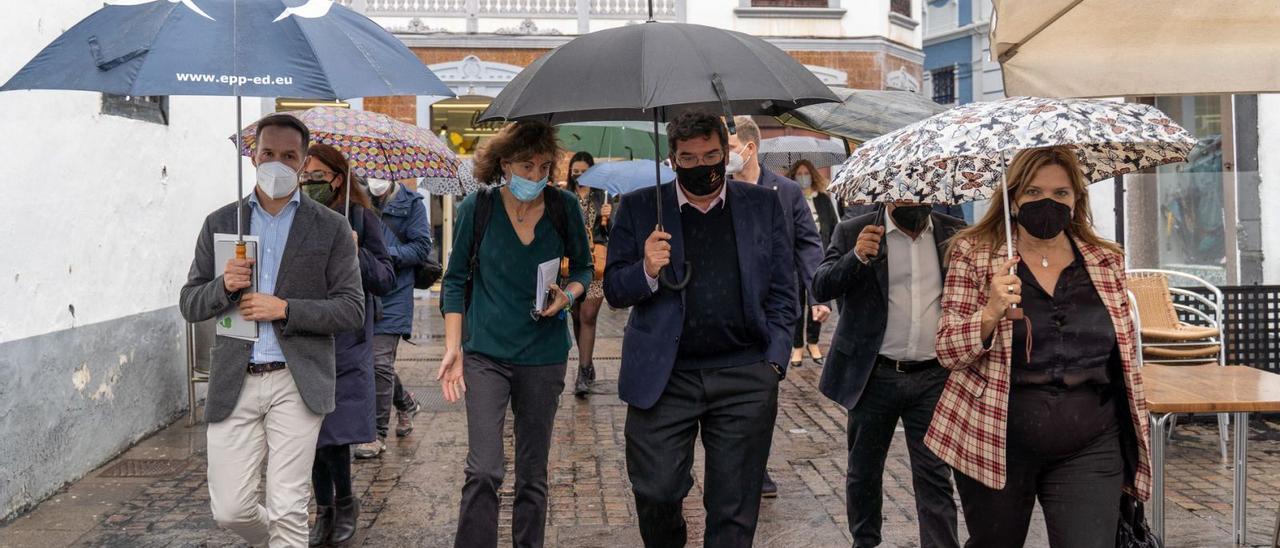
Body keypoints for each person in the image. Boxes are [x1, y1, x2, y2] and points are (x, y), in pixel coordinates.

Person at [926, 146, 1152, 547]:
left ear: (1076, 200)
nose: (1047, 202)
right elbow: (947, 349)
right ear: (1013, 198)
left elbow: (1124, 354)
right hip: (995, 438)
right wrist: (991, 311)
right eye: (1033, 192)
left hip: (1091, 442)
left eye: (1061, 194)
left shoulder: (1105, 259)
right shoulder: (974, 254)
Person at [604, 111, 796, 547]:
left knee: (734, 508)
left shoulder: (761, 205)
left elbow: (785, 288)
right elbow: (615, 289)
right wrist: (647, 270)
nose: (702, 165)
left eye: (711, 154)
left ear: (726, 153)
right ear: (672, 159)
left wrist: (775, 362)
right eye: (689, 157)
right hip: (665, 377)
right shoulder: (640, 208)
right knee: (656, 490)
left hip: (745, 373)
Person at [179, 114, 364, 547]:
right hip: (234, 381)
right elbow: (190, 303)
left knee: (288, 507)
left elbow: (351, 309)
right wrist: (223, 285)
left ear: (302, 163)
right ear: (252, 156)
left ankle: (288, 536)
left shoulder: (331, 227)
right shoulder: (221, 222)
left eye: (289, 156)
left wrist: (285, 309)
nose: (276, 163)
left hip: (296, 379)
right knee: (231, 509)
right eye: (268, 153)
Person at [437, 121, 593, 548]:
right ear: (504, 164)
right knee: (484, 468)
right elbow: (453, 281)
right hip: (486, 353)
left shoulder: (563, 207)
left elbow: (583, 268)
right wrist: (454, 347)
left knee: (532, 472)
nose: (535, 176)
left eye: (544, 167)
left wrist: (569, 296)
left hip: (544, 355)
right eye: (526, 166)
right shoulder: (477, 207)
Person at [811, 201, 965, 548]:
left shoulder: (951, 232)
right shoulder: (855, 229)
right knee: (864, 472)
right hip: (873, 374)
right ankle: (865, 542)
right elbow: (820, 285)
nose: (913, 200)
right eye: (905, 193)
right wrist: (856, 257)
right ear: (890, 193)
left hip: (932, 376)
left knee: (935, 476)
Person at [297, 144, 397, 546]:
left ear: (339, 178)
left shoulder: (360, 216)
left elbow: (385, 277)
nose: (309, 183)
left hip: (347, 336)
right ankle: (324, 508)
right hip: (307, 332)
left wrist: (355, 249)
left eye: (317, 176)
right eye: (305, 176)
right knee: (312, 430)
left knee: (334, 430)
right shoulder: (297, 220)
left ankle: (345, 502)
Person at [725, 116, 825, 497]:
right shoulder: (719, 189)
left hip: (773, 310)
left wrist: (817, 296)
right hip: (730, 306)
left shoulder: (785, 191)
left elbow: (807, 244)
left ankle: (757, 465)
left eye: (731, 149)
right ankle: (735, 462)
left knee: (764, 392)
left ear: (750, 148)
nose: (725, 158)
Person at [354, 175, 433, 460]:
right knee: (371, 360)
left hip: (395, 291)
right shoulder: (356, 200)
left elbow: (422, 247)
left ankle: (375, 435)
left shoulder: (412, 203)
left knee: (378, 362)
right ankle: (406, 403)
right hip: (363, 290)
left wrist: (384, 253)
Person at [785, 159, 842, 366]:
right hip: (794, 260)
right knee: (796, 303)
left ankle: (813, 342)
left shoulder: (823, 199)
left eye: (806, 173)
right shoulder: (789, 198)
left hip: (820, 258)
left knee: (818, 301)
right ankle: (797, 346)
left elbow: (834, 227)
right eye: (798, 174)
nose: (803, 177)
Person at [565, 151, 612, 397]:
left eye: (584, 171)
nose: (579, 175)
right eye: (575, 171)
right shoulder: (563, 197)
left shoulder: (602, 197)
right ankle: (588, 363)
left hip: (596, 265)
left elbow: (614, 233)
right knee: (575, 316)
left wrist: (608, 217)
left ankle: (583, 372)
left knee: (588, 316)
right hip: (570, 265)